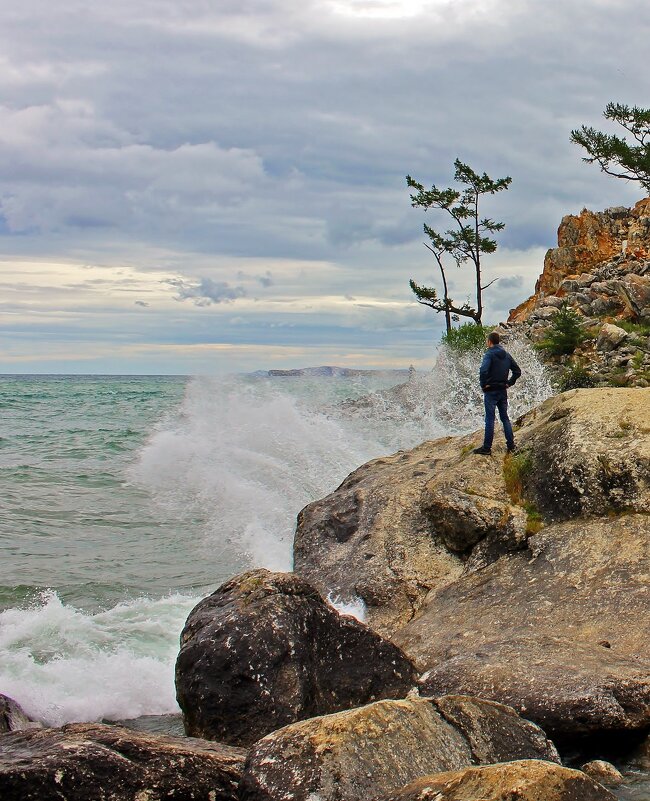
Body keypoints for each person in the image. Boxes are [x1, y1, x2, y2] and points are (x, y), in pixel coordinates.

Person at [473, 331, 521, 455]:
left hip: (490, 391)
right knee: (505, 417)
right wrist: (509, 383)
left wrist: (484, 385)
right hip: (502, 390)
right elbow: (517, 371)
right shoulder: (506, 355)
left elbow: (483, 370)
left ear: (489, 342)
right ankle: (511, 445)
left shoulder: (489, 354)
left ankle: (487, 448)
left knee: (490, 419)